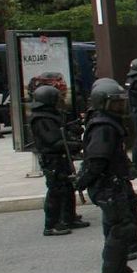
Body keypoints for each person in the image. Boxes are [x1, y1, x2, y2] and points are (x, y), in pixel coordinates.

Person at [75, 79, 137, 273]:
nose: (120, 107)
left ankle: (119, 268)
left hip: (113, 181)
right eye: (115, 103)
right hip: (108, 184)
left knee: (117, 226)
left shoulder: (108, 122)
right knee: (120, 228)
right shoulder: (103, 126)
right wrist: (84, 181)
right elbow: (97, 159)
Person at [29, 85, 89, 236]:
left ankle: (68, 218)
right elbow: (53, 141)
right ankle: (51, 224)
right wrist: (76, 145)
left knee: (68, 187)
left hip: (61, 157)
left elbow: (61, 133)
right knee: (56, 191)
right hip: (52, 158)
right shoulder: (41, 119)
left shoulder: (51, 115)